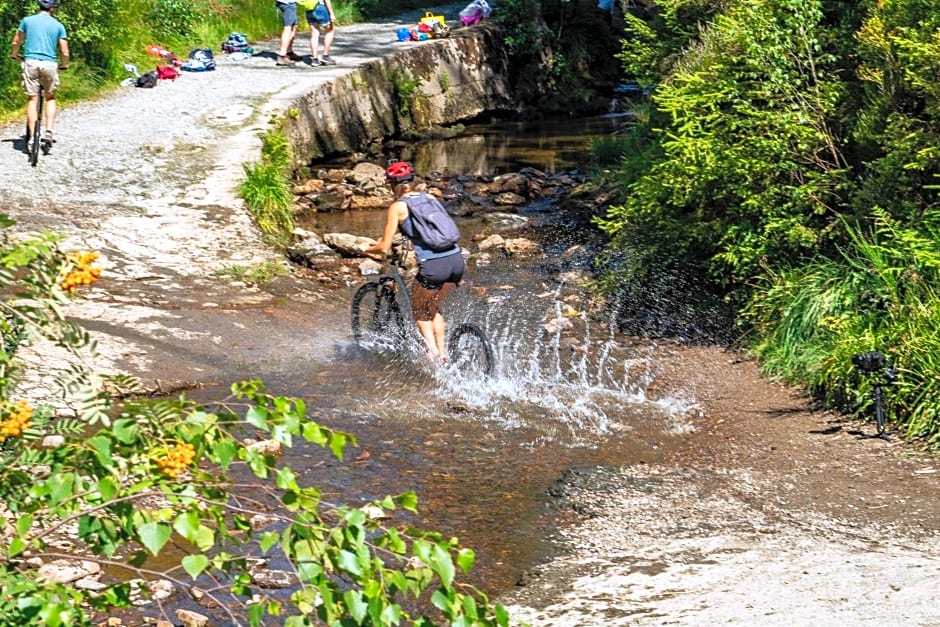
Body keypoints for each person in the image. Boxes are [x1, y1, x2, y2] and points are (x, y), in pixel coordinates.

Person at [364, 162, 465, 364]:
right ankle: (443, 354)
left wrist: (367, 248)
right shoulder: (430, 198)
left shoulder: (398, 206)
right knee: (432, 305)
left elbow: (384, 247)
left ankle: (432, 353)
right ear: (413, 181)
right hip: (456, 260)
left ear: (391, 185)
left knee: (419, 308)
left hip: (434, 267)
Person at [10, 0, 69, 153]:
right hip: (49, 64)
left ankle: (31, 138)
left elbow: (17, 40)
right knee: (50, 97)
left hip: (30, 62)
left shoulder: (27, 21)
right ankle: (48, 132)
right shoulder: (58, 25)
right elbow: (65, 52)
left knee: (32, 99)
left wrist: (15, 55)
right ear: (52, 8)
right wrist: (63, 64)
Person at [304, 0, 336, 66]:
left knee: (314, 34)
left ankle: (315, 59)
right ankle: (325, 56)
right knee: (330, 31)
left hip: (309, 9)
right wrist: (331, 13)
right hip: (320, 8)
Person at [274, 0, 299, 66]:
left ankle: (289, 52)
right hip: (287, 3)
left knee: (294, 26)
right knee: (288, 28)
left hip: (289, 3)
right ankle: (282, 55)